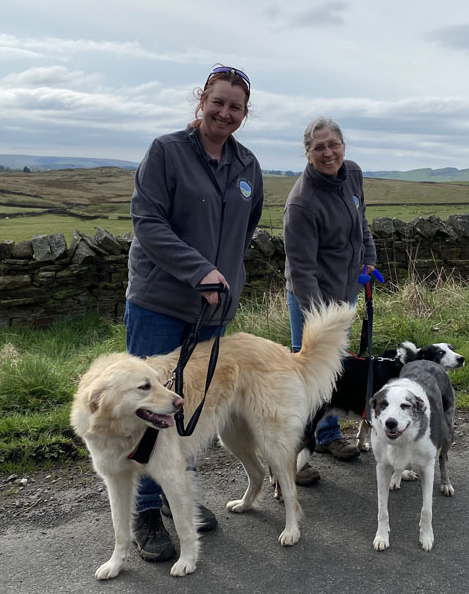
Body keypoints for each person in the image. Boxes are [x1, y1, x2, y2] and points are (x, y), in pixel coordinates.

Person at [125, 64, 263, 562]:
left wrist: (225, 274)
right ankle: (145, 512)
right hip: (160, 302)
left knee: (192, 405)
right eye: (218, 102)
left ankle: (177, 496)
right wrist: (200, 270)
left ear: (245, 114)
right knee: (149, 408)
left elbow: (246, 228)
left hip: (214, 309)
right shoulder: (166, 152)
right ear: (200, 100)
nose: (225, 112)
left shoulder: (247, 165)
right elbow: (148, 222)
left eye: (236, 107)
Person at [283, 116, 377, 485]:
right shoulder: (302, 204)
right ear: (307, 154)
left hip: (345, 291)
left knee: (335, 366)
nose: (328, 152)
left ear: (343, 145)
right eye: (318, 147)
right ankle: (294, 457)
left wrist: (368, 257)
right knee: (307, 374)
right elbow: (301, 270)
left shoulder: (352, 174)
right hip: (312, 296)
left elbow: (361, 222)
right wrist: (316, 322)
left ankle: (327, 436)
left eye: (333, 144)